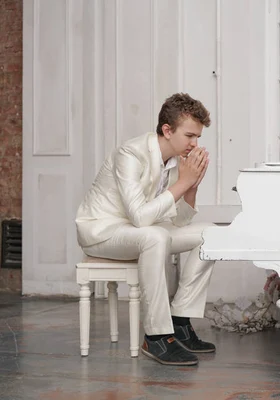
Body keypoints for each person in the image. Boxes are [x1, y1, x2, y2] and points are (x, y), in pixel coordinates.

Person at [76, 93, 216, 366]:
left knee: (210, 233)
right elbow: (141, 218)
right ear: (167, 129)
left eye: (198, 137)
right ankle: (156, 337)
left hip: (138, 232)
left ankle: (179, 322)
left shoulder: (177, 160)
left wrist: (191, 185)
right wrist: (182, 183)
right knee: (155, 235)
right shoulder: (130, 153)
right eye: (189, 135)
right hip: (101, 232)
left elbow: (180, 222)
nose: (194, 144)